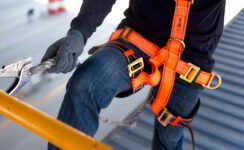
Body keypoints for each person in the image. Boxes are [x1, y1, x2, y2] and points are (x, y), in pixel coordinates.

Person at [42, 0, 225, 149]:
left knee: (168, 140)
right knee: (87, 81)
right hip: (139, 38)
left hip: (191, 59)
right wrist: (79, 31)